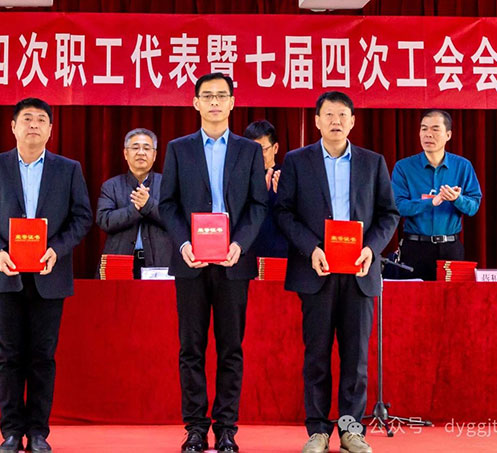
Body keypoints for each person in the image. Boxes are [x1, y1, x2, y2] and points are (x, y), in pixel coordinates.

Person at [274, 91, 399, 453]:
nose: (336, 121)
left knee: (355, 359)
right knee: (316, 355)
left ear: (353, 121)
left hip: (359, 271)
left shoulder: (372, 162)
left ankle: (350, 431)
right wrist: (311, 248)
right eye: (328, 115)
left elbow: (389, 214)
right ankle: (317, 431)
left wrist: (370, 248)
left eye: (343, 115)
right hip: (317, 269)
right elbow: (283, 212)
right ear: (316, 121)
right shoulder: (297, 161)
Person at [0, 98, 92, 453]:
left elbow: (82, 217)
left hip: (49, 275)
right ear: (13, 126)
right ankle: (10, 432)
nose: (33, 124)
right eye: (26, 118)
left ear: (51, 129)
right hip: (5, 274)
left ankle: (38, 432)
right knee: (9, 356)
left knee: (42, 357)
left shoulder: (68, 169)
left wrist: (57, 249)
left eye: (41, 119)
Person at [159, 73, 268, 453]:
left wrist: (240, 243)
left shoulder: (249, 151)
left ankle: (226, 429)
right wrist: (183, 243)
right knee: (191, 348)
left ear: (233, 102)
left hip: (233, 261)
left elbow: (258, 205)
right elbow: (167, 204)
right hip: (191, 260)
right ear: (196, 103)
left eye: (222, 95)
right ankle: (194, 427)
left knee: (230, 348)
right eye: (208, 96)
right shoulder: (179, 148)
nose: (215, 102)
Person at [391, 109, 482, 280]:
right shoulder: (404, 167)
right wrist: (431, 202)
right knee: (413, 297)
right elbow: (397, 206)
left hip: (450, 248)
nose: (428, 134)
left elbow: (473, 207)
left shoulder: (462, 166)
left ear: (448, 135)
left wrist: (457, 199)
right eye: (424, 129)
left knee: (453, 297)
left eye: (435, 129)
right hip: (415, 247)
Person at [96, 128, 172, 278]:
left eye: (146, 148)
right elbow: (105, 221)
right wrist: (135, 209)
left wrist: (148, 205)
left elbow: (176, 220)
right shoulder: (111, 186)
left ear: (154, 155)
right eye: (135, 148)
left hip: (160, 264)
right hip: (120, 263)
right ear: (126, 153)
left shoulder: (168, 185)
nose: (141, 153)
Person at [243, 120, 288, 258]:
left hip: (278, 253)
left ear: (275, 148)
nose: (258, 155)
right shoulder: (239, 178)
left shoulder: (287, 176)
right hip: (245, 252)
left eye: (263, 149)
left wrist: (282, 195)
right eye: (253, 150)